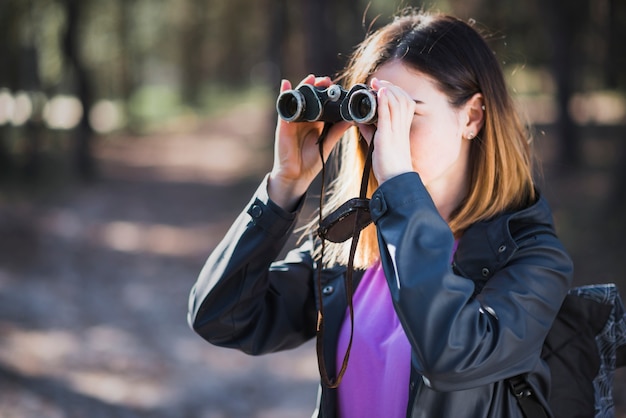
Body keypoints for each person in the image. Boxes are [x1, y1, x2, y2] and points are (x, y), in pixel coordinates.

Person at [187, 9, 574, 418]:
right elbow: (221, 317)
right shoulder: (356, 249)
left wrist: (400, 190)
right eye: (376, 115)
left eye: (406, 114)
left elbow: (452, 357)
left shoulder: (532, 258)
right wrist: (284, 185)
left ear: (472, 116)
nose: (389, 135)